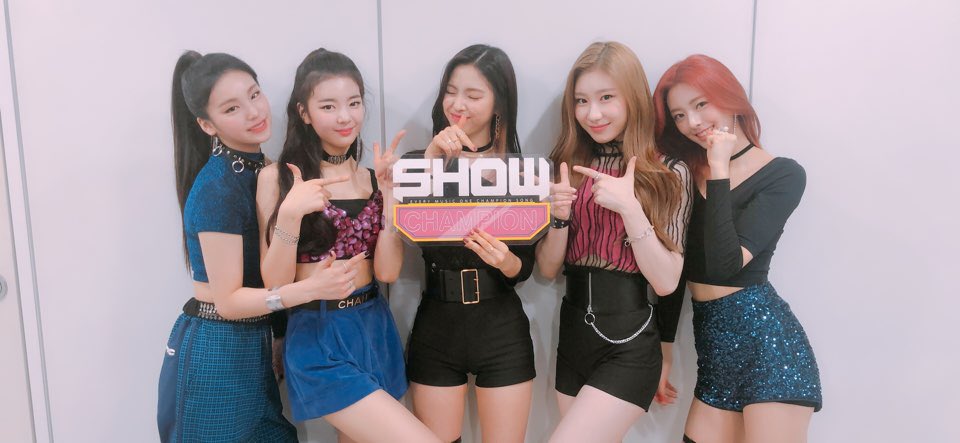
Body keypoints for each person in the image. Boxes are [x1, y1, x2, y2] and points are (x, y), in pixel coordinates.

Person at [256, 48, 439, 443]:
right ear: (304, 112)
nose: (345, 117)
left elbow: (387, 272)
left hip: (374, 325)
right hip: (317, 334)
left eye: (353, 103)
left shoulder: (372, 178)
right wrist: (290, 214)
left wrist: (390, 199)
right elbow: (273, 283)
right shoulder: (278, 178)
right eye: (328, 106)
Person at [653, 53, 822, 442]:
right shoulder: (682, 175)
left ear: (730, 98)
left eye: (700, 104)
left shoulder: (783, 174)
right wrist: (664, 350)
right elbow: (674, 267)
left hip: (772, 353)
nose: (692, 122)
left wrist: (719, 169)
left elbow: (725, 264)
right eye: (679, 115)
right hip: (715, 357)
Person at [535, 41, 692, 443]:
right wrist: (559, 216)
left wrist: (630, 208)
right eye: (582, 100)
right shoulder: (566, 164)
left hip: (630, 343)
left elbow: (666, 282)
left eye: (606, 97)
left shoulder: (667, 171)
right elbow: (548, 269)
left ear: (633, 98)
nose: (593, 113)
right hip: (572, 337)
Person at [159, 50, 311, 442]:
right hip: (216, 348)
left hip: (252, 341)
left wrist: (278, 333)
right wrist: (308, 291)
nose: (253, 111)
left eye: (254, 94)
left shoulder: (265, 170)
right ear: (206, 124)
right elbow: (228, 301)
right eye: (232, 108)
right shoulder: (218, 187)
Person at [403, 44, 536, 443]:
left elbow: (525, 268)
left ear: (499, 104)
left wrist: (505, 260)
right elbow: (404, 238)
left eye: (473, 95)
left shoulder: (519, 170)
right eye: (451, 91)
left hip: (501, 326)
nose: (458, 104)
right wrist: (432, 161)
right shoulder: (418, 162)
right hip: (437, 324)